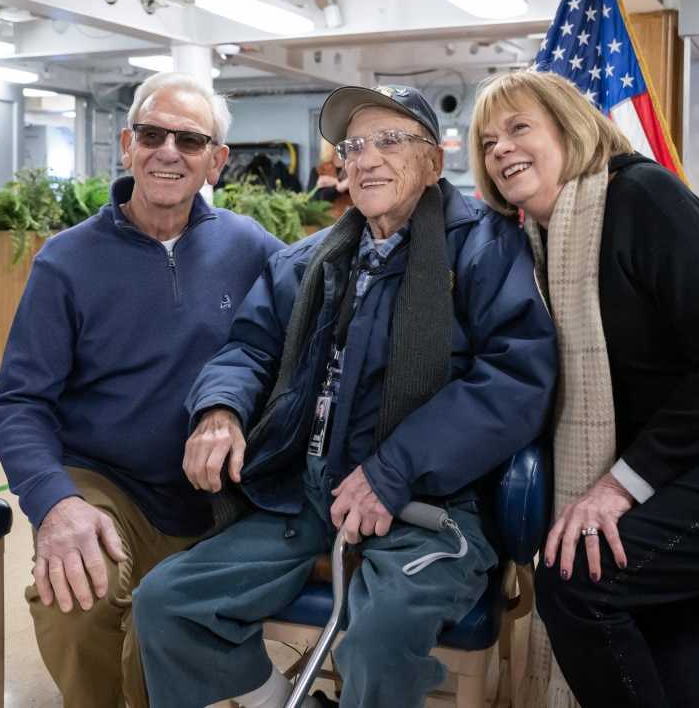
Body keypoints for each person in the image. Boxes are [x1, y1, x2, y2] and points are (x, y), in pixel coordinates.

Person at [133, 84, 557, 708]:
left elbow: (516, 377)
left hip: (432, 503)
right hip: (306, 490)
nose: (366, 159)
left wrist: (393, 469)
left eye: (391, 141)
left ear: (434, 161)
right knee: (166, 603)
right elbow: (249, 348)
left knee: (377, 640)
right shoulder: (310, 260)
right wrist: (219, 410)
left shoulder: (484, 249)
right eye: (354, 146)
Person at [0, 72, 284, 708]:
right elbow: (19, 401)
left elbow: (304, 332)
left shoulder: (252, 249)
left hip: (217, 498)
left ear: (217, 161)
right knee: (72, 594)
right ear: (127, 145)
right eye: (152, 134)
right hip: (104, 483)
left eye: (190, 139)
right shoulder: (66, 261)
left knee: (160, 640)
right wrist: (56, 505)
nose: (168, 151)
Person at [469, 70, 699, 708]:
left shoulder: (642, 197)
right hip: (669, 468)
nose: (501, 150)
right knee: (667, 684)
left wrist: (621, 484)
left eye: (518, 129)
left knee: (577, 580)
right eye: (487, 143)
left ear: (568, 128)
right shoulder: (534, 244)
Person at [308, 137, 352, 217]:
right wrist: (338, 187)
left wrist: (336, 183)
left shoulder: (357, 168)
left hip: (354, 222)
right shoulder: (319, 170)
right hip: (325, 224)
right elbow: (312, 202)